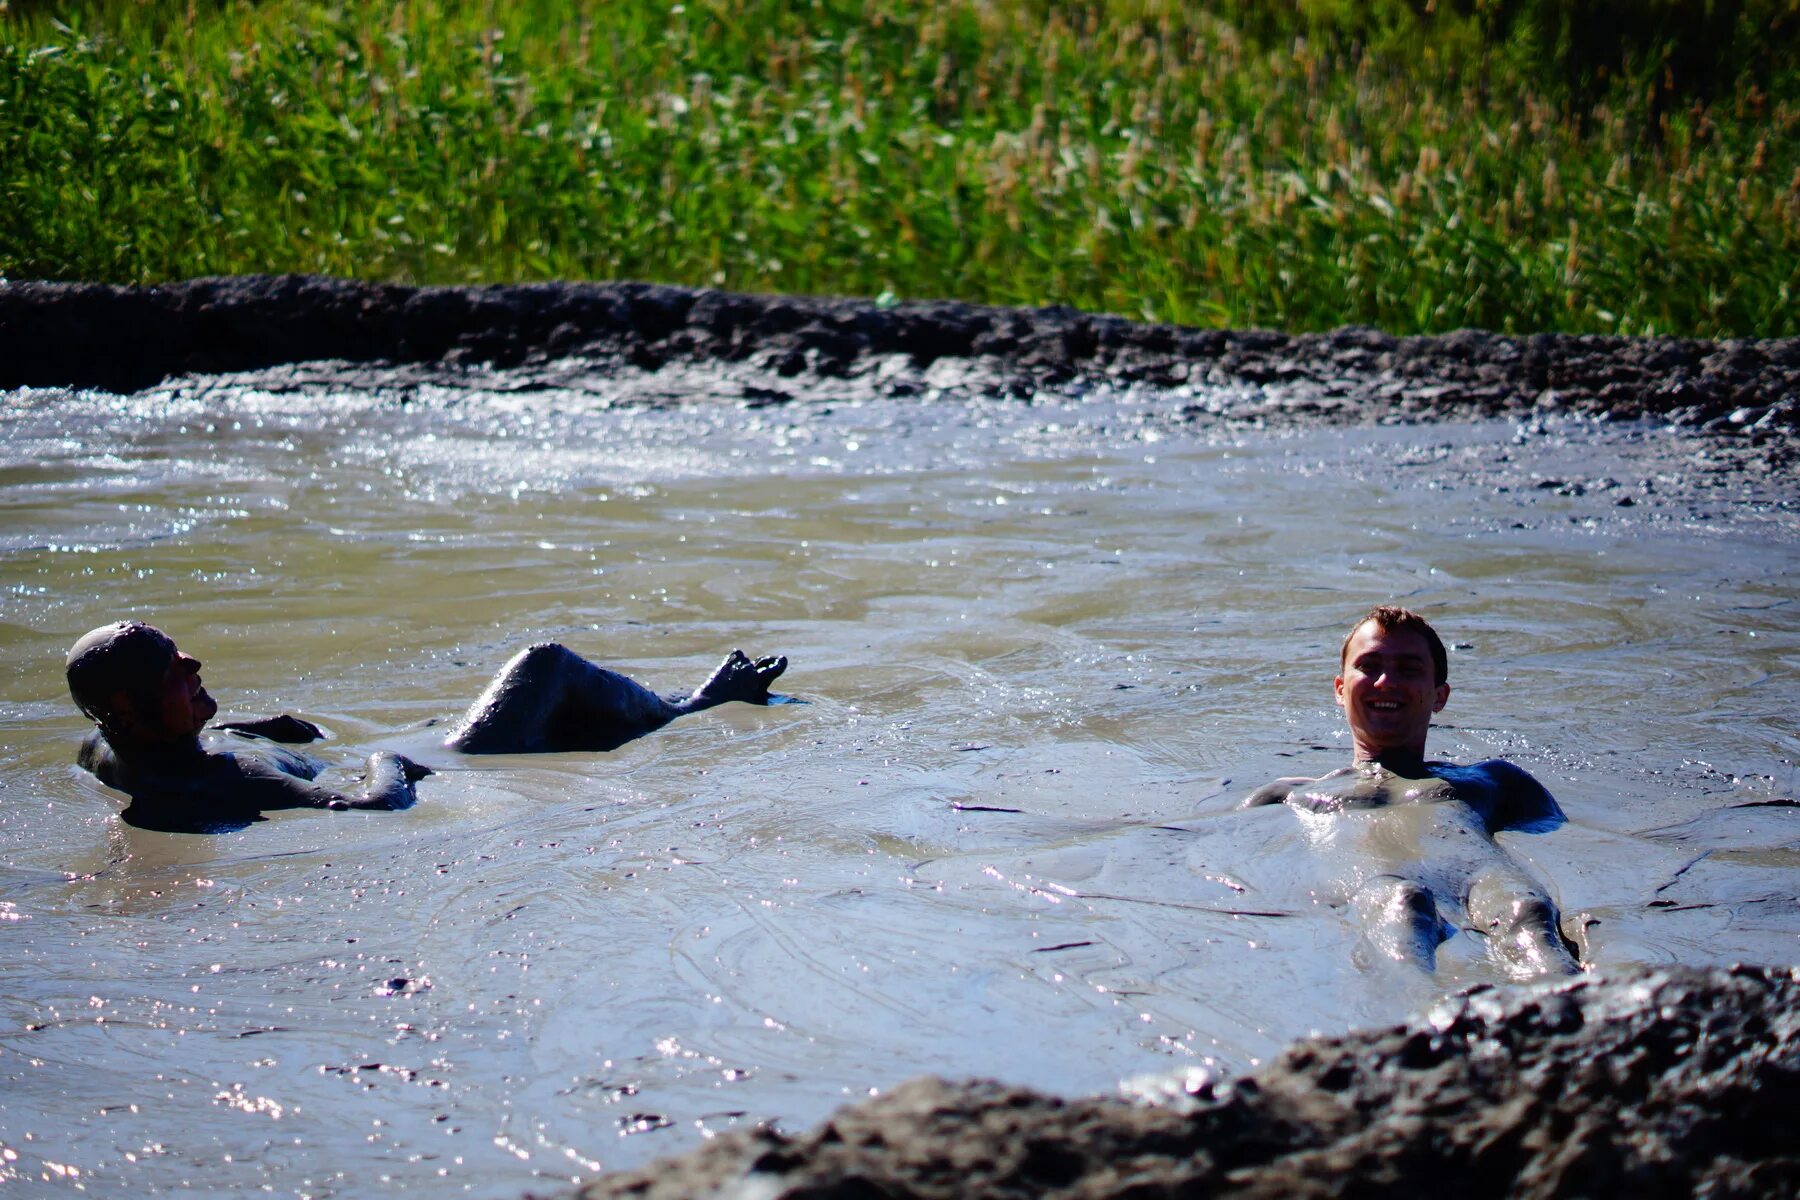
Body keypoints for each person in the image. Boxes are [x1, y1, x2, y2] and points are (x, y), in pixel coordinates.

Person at [66, 622, 787, 833]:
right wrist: (389, 761)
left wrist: (253, 723)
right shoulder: (229, 776)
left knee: (565, 723)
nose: (193, 661)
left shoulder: (107, 748)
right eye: (171, 667)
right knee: (545, 666)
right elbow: (369, 807)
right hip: (446, 763)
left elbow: (108, 749)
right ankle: (695, 706)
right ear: (129, 707)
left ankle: (657, 711)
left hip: (422, 744)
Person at [1242, 605, 1580, 978]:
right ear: (1340, 689)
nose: (1386, 681)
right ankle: (1417, 1013)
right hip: (1376, 894)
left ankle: (1578, 1007)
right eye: (1369, 666)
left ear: (1439, 696)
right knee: (1401, 907)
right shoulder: (1288, 798)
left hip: (1478, 878)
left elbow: (1575, 858)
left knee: (1525, 910)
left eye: (1409, 669)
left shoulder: (1495, 781)